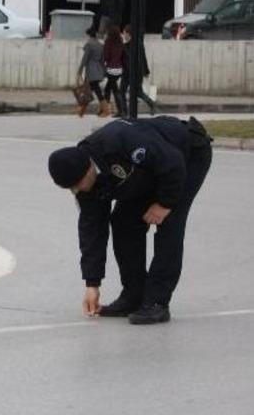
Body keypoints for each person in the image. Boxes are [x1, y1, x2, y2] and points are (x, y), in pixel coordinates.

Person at [47, 116, 213, 325]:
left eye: (77, 184)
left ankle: (157, 303)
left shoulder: (119, 140)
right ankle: (133, 296)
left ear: (88, 167)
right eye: (71, 188)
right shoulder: (82, 185)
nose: (77, 190)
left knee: (169, 224)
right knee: (124, 223)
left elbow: (172, 164)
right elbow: (92, 229)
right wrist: (92, 283)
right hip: (146, 173)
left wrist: (164, 204)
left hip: (186, 155)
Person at [121, 24, 157, 116]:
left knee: (131, 92)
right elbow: (143, 58)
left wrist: (145, 71)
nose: (123, 35)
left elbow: (139, 58)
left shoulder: (130, 45)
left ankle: (125, 112)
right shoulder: (137, 44)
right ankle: (125, 112)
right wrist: (145, 71)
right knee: (130, 92)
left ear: (128, 34)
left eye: (124, 33)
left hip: (132, 73)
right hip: (132, 72)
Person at [76, 27, 106, 117]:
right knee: (96, 90)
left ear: (89, 35)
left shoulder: (89, 44)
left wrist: (79, 71)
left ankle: (82, 110)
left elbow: (85, 59)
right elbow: (102, 60)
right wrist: (103, 71)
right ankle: (104, 109)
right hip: (98, 70)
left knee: (87, 91)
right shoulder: (100, 45)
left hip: (91, 71)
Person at [103, 25, 125, 118]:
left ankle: (111, 110)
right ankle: (116, 110)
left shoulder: (108, 42)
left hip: (111, 69)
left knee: (112, 90)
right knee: (111, 88)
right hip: (119, 70)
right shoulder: (120, 43)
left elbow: (106, 56)